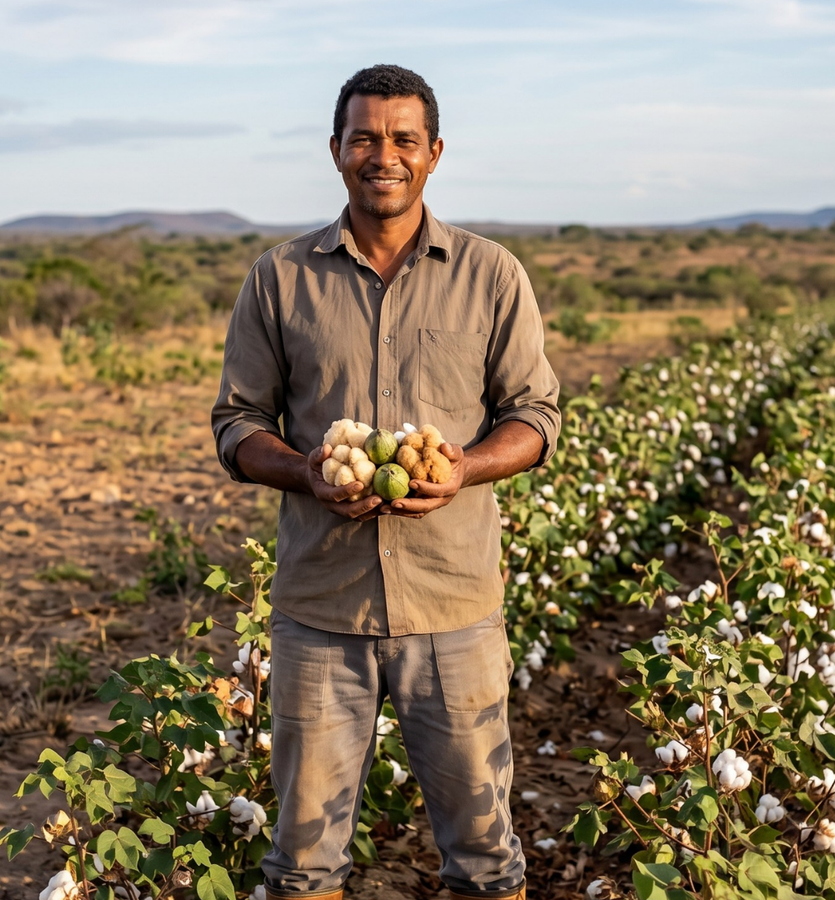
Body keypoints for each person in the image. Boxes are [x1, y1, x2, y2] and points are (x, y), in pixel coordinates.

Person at [211, 63, 560, 900]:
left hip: (453, 608)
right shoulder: (279, 278)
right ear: (335, 149)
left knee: (485, 857)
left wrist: (465, 467)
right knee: (302, 865)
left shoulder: (491, 274)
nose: (384, 155)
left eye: (404, 138)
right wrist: (306, 472)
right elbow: (238, 424)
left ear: (434, 152)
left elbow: (535, 415)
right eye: (364, 137)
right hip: (321, 612)